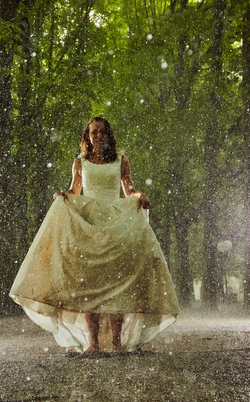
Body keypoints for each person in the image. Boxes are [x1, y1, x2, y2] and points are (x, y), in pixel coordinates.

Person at [10, 117, 179, 354]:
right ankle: (93, 343)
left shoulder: (121, 161)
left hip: (115, 222)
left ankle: (118, 344)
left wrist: (140, 195)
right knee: (88, 283)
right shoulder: (80, 162)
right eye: (93, 133)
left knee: (116, 282)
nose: (98, 136)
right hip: (88, 225)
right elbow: (74, 190)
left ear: (109, 135)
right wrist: (63, 195)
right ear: (87, 137)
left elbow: (129, 189)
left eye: (102, 132)